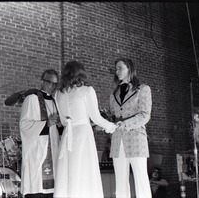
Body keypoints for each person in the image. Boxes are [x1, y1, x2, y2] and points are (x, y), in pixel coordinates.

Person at [53, 60, 117, 198]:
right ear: (81, 73)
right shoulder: (87, 90)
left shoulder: (58, 94)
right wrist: (112, 127)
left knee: (68, 170)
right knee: (83, 170)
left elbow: (64, 121)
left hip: (67, 135)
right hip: (82, 134)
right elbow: (96, 117)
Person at [109, 57, 152, 198]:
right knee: (120, 181)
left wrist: (126, 124)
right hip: (117, 140)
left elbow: (145, 115)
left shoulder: (143, 89)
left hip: (136, 139)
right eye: (116, 69)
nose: (117, 71)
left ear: (130, 69)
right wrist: (104, 122)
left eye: (120, 68)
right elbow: (113, 115)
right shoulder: (113, 93)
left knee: (141, 179)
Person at [19, 69, 62, 198]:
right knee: (37, 188)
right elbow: (24, 125)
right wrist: (46, 124)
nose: (53, 87)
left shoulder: (55, 101)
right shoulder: (32, 99)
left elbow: (58, 129)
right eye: (50, 83)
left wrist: (60, 125)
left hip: (53, 148)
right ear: (42, 81)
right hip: (37, 150)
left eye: (55, 84)